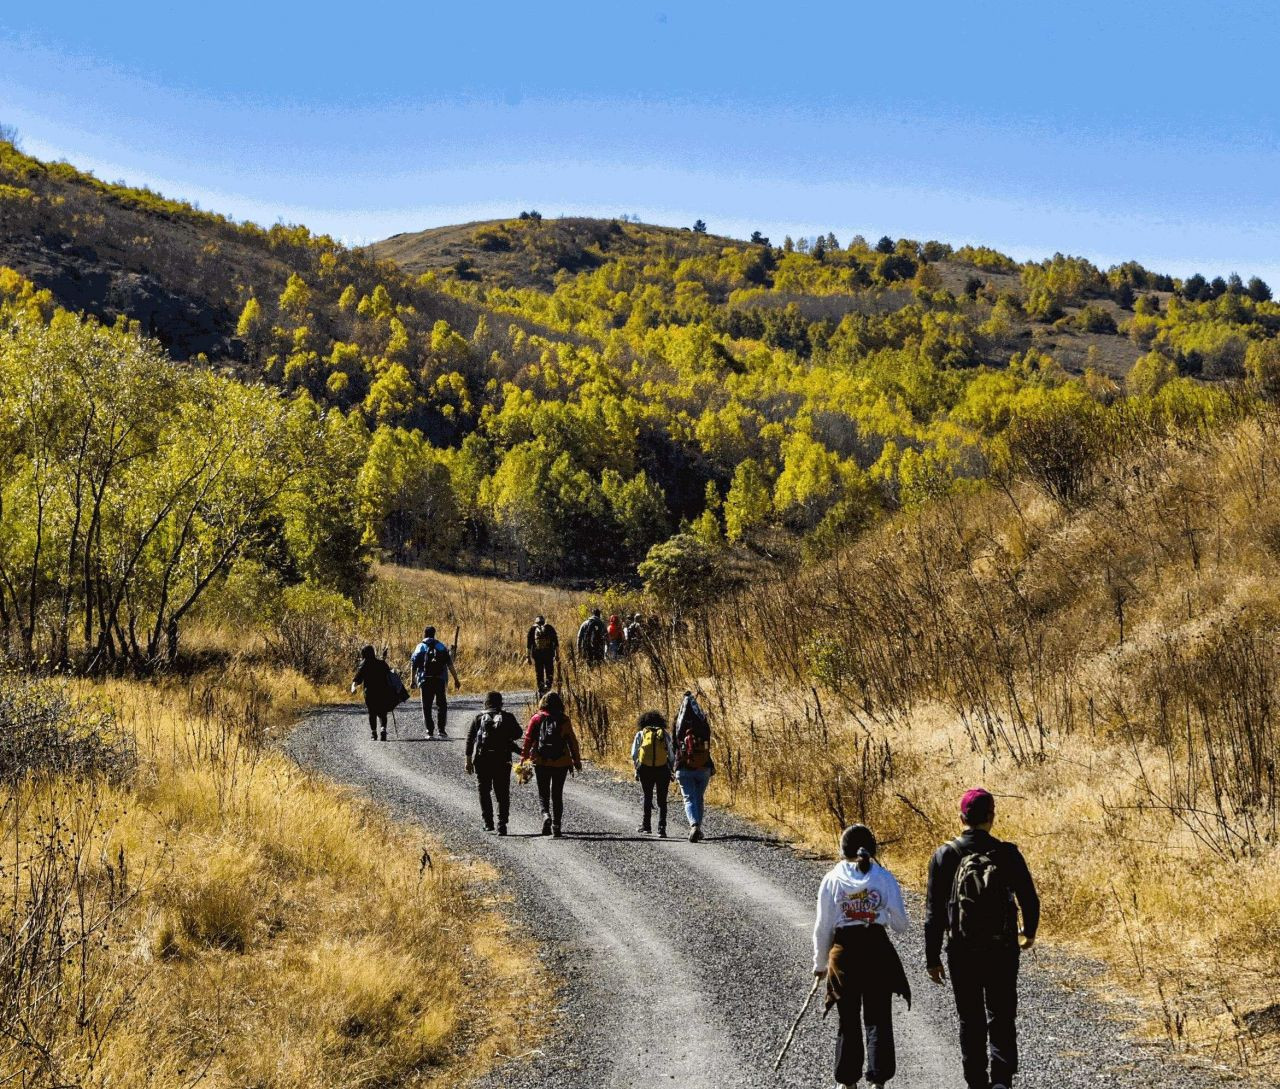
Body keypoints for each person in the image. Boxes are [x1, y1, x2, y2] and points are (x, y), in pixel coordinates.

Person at [925, 788, 1040, 1089]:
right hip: (1002, 948)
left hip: (962, 950)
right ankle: (1001, 1080)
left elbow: (934, 912)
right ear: (991, 817)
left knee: (970, 1018)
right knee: (1002, 1015)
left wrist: (932, 957)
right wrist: (1028, 932)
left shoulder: (945, 855)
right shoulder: (1007, 854)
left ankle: (976, 1081)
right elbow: (1029, 898)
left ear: (961, 817)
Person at [813, 824, 910, 1089]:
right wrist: (879, 914)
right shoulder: (884, 878)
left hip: (844, 954)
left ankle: (848, 1081)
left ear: (841, 850)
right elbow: (901, 924)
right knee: (878, 1016)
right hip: (877, 950)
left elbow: (824, 927)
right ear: (872, 848)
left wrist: (820, 964)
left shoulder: (832, 879)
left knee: (848, 1017)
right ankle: (879, 1080)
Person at [520, 690, 582, 838]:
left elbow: (528, 740)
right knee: (557, 794)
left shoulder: (536, 719)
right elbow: (572, 741)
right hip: (561, 762)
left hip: (541, 761)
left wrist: (524, 759)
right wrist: (576, 760)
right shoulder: (564, 719)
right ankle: (557, 826)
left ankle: (546, 815)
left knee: (543, 793)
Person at [465, 691, 524, 835]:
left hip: (482, 760)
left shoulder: (479, 718)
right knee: (502, 793)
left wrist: (468, 761)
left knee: (484, 791)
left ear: (485, 703)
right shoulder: (508, 717)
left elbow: (470, 739)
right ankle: (502, 824)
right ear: (501, 703)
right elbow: (519, 733)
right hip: (502, 759)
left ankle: (487, 822)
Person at [673, 690, 714, 842]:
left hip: (683, 767)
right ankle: (698, 828)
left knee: (689, 798)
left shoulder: (677, 722)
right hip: (704, 766)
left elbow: (673, 745)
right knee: (699, 797)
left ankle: (694, 825)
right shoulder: (703, 723)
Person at [410, 626, 461, 738]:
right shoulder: (441, 646)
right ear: (434, 634)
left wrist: (412, 680)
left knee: (426, 706)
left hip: (425, 680)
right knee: (441, 705)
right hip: (439, 679)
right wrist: (456, 679)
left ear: (424, 634)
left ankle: (429, 731)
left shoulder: (420, 647)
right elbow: (450, 664)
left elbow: (413, 665)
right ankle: (441, 730)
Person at [630, 709, 673, 836]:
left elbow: (634, 753)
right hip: (662, 768)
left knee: (647, 796)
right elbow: (671, 753)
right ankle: (662, 828)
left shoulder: (641, 734)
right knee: (662, 799)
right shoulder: (664, 734)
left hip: (645, 769)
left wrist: (638, 766)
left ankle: (646, 825)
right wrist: (671, 768)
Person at [350, 644, 393, 742]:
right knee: (382, 711)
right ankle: (383, 729)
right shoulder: (381, 663)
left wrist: (353, 687)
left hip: (370, 693)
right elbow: (389, 676)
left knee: (372, 712)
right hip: (383, 691)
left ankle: (374, 733)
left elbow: (357, 679)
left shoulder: (364, 665)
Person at [526, 614, 559, 695]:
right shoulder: (549, 628)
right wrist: (557, 655)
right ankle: (548, 688)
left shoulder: (532, 629)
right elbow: (556, 643)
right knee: (549, 672)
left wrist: (528, 657)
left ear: (536, 621)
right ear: (544, 621)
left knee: (539, 673)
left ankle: (541, 690)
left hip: (537, 656)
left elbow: (528, 645)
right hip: (549, 655)